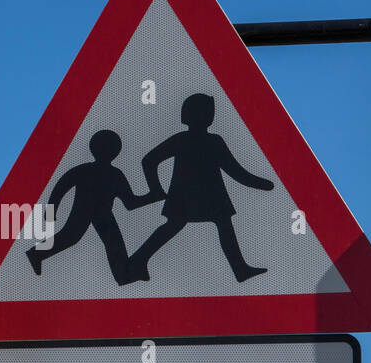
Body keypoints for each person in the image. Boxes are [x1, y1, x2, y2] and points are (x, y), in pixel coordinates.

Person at [125, 92, 274, 283]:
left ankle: (240, 269)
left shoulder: (208, 141)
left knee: (205, 224)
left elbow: (234, 170)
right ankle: (138, 260)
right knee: (199, 224)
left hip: (202, 195)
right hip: (198, 195)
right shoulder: (195, 140)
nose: (210, 115)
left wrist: (261, 183)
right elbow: (149, 160)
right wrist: (155, 189)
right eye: (206, 111)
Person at [27, 129, 157, 285]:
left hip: (103, 214)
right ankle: (35, 254)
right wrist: (50, 211)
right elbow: (62, 186)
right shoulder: (89, 171)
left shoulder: (114, 174)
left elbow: (130, 203)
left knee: (113, 243)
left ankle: (123, 275)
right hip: (84, 210)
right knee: (71, 237)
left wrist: (153, 196)